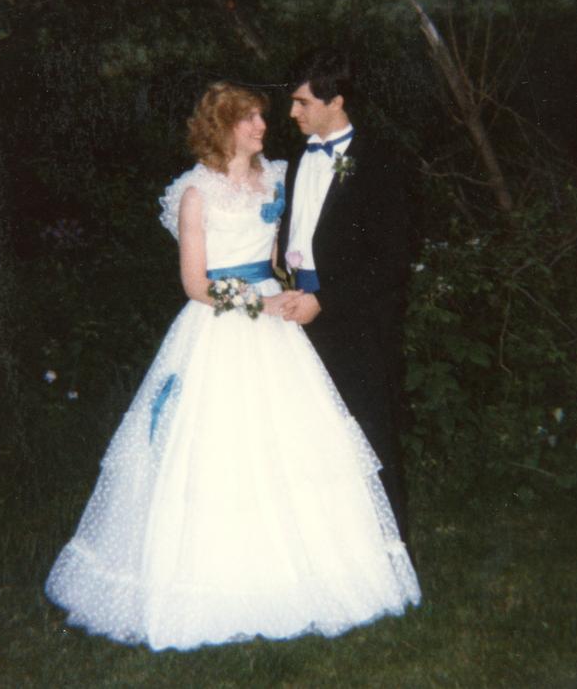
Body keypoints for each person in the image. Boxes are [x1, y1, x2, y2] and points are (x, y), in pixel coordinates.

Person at [45, 81, 420, 653]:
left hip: (278, 325)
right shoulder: (195, 193)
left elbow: (285, 251)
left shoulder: (278, 178)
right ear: (221, 127)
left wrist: (295, 292)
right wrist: (256, 304)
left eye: (262, 118)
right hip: (221, 326)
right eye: (249, 119)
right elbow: (195, 284)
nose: (263, 127)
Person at [278, 49, 414, 545]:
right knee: (310, 436)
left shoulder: (381, 160)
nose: (292, 112)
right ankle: (327, 547)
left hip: (354, 322)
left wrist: (325, 300)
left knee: (367, 438)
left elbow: (392, 260)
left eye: (302, 102)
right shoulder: (300, 159)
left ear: (335, 101)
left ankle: (387, 554)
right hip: (297, 314)